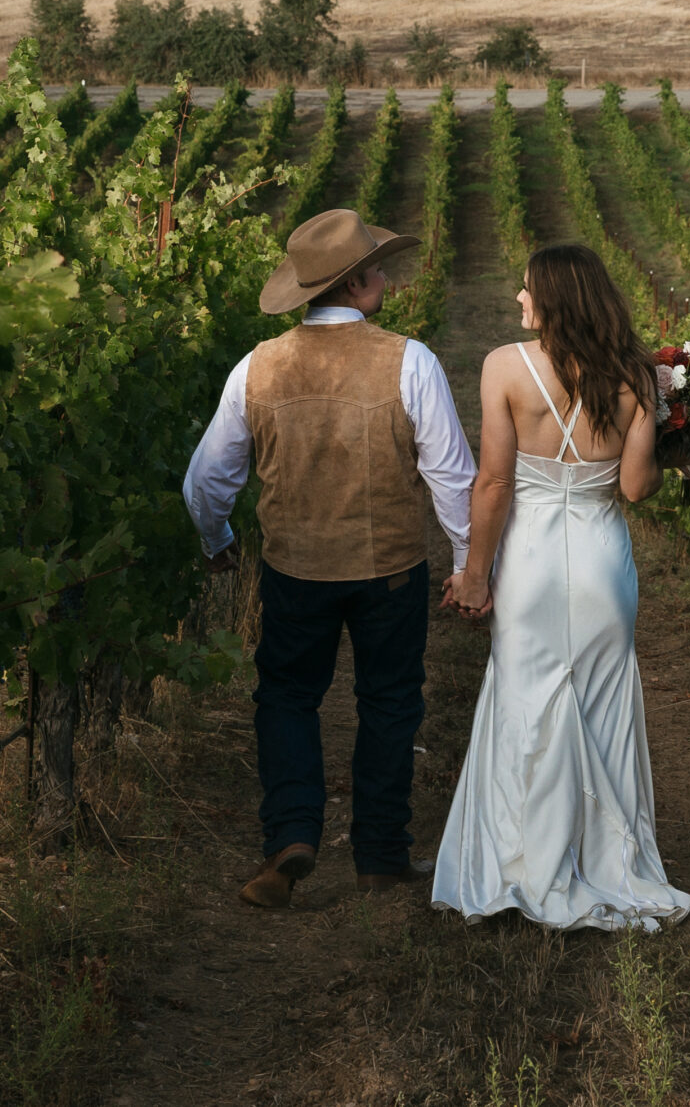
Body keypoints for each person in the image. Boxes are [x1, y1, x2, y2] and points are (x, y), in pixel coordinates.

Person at [183, 207, 478, 909]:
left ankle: (291, 832)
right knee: (389, 702)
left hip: (295, 569)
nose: (386, 274)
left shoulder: (258, 366)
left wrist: (217, 540)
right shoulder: (409, 359)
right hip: (392, 571)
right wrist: (470, 562)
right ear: (353, 283)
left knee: (286, 696)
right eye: (376, 266)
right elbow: (452, 478)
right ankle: (379, 854)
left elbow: (206, 481)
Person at [431, 243, 690, 932]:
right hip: (603, 557)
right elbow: (635, 488)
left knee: (527, 701)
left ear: (554, 301)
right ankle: (609, 863)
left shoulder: (504, 368)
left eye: (527, 292)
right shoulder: (640, 377)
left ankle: (525, 864)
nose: (519, 301)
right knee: (604, 709)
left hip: (534, 558)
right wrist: (670, 444)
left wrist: (474, 573)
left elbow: (491, 483)